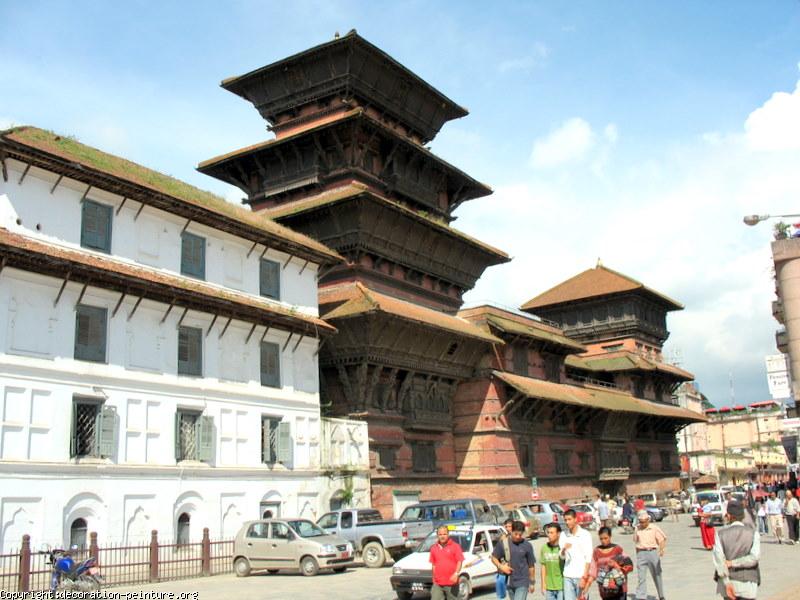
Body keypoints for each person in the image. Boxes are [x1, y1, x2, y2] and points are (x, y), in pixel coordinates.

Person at [712, 501, 760, 600]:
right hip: (748, 583)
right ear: (743, 515)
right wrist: (734, 563)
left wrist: (726, 582)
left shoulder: (720, 534)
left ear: (729, 515)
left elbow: (719, 560)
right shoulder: (753, 533)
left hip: (729, 583)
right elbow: (754, 558)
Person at [582, 526, 633, 600]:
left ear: (610, 536)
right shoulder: (596, 551)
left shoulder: (617, 549)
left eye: (606, 538)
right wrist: (587, 585)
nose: (603, 541)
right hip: (605, 590)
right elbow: (593, 570)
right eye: (601, 539)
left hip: (619, 589)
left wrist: (616, 566)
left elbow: (628, 566)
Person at [491, 520, 536, 600]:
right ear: (511, 531)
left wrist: (532, 582)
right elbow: (493, 558)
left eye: (520, 534)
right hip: (509, 582)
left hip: (523, 581)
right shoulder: (504, 543)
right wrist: (501, 566)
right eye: (516, 534)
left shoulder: (527, 545)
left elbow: (531, 565)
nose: (518, 536)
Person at [559, 509, 593, 600]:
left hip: (580, 575)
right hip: (568, 575)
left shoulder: (585, 534)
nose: (567, 522)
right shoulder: (563, 535)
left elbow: (588, 557)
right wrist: (563, 550)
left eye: (569, 519)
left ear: (575, 519)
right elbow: (562, 557)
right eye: (565, 520)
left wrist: (584, 577)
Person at [633, 510, 666, 600]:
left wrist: (662, 549)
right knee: (641, 577)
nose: (642, 524)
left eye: (644, 522)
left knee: (657, 574)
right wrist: (638, 554)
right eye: (641, 522)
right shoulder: (637, 528)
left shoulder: (654, 528)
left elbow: (661, 539)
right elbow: (636, 541)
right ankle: (641, 596)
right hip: (641, 553)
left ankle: (661, 595)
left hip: (652, 552)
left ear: (648, 520)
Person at [429, 525, 463, 600]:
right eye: (440, 534)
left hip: (452, 583)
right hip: (438, 583)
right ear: (437, 535)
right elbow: (434, 564)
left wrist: (456, 574)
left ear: (448, 534)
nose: (442, 536)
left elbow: (459, 561)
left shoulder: (455, 546)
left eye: (444, 534)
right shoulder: (433, 548)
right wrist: (434, 578)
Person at [540, 523, 565, 600]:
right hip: (549, 587)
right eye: (548, 532)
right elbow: (543, 567)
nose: (549, 535)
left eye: (552, 533)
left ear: (558, 534)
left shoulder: (562, 548)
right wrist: (543, 584)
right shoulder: (544, 548)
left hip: (561, 586)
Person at [495, 518, 514, 600]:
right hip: (504, 566)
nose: (508, 528)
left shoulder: (516, 538)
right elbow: (497, 552)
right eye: (506, 526)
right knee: (500, 582)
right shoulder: (503, 538)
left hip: (514, 566)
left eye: (510, 526)